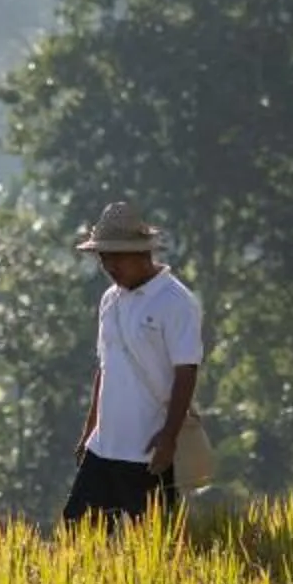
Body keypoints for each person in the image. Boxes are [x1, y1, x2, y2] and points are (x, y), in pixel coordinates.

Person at [62, 201, 202, 527]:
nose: (109, 265)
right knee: (77, 532)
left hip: (148, 451)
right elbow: (105, 368)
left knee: (154, 540)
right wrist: (88, 433)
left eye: (117, 256)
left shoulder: (176, 301)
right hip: (103, 447)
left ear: (142, 253)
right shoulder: (109, 300)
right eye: (103, 257)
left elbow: (186, 371)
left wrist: (169, 437)